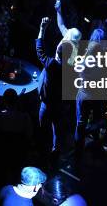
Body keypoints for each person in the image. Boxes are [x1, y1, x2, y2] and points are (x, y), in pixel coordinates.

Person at [36, 17, 73, 156]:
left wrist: (42, 29)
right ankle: (54, 152)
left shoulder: (52, 65)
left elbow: (39, 48)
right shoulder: (71, 67)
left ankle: (42, 152)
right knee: (57, 129)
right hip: (60, 104)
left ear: (57, 53)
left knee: (43, 127)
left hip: (47, 104)